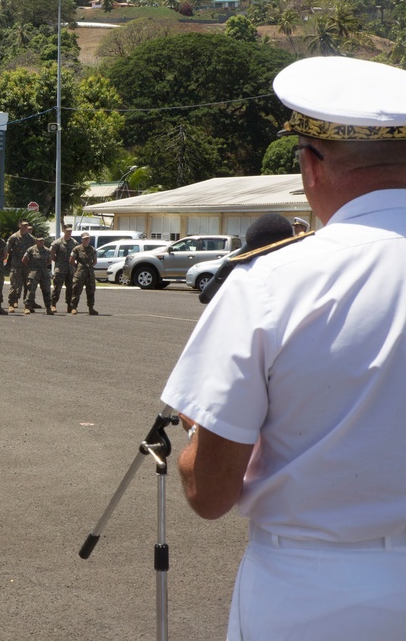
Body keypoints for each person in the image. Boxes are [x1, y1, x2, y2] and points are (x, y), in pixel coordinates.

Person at [162, 56, 406, 640]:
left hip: (314, 590)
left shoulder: (269, 283)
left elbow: (209, 493)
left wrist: (202, 433)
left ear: (311, 164)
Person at [4, 219, 34, 312]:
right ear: (19, 225)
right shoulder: (13, 237)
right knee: (14, 285)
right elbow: (7, 250)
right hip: (16, 265)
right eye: (23, 225)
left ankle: (27, 306)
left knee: (28, 286)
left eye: (26, 225)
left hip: (27, 266)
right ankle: (11, 304)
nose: (25, 227)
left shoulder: (31, 238)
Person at [21, 235, 54, 315]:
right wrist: (30, 267)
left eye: (42, 241)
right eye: (39, 241)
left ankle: (48, 308)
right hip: (34, 273)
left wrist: (44, 267)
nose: (41, 242)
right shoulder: (31, 249)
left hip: (44, 273)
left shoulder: (47, 250)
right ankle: (27, 307)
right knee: (31, 290)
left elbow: (49, 261)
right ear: (36, 241)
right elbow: (24, 260)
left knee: (46, 290)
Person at [68, 233, 98, 315]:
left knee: (91, 291)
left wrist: (90, 267)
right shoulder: (77, 249)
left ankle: (91, 308)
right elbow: (71, 261)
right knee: (76, 290)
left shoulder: (92, 249)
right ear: (81, 240)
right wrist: (78, 267)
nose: (86, 240)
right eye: (85, 239)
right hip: (80, 274)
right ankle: (73, 307)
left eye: (88, 239)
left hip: (90, 274)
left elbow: (95, 261)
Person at [50, 224, 77, 313]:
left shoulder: (74, 243)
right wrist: (58, 262)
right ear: (64, 231)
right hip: (60, 269)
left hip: (70, 270)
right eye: (67, 231)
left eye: (70, 231)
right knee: (57, 288)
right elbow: (52, 254)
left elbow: (76, 255)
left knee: (70, 289)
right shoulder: (57, 243)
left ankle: (70, 306)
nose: (69, 233)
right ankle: (53, 304)